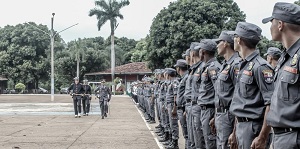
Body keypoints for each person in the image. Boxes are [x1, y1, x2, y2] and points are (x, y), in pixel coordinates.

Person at [229, 22, 274, 149]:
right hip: (241, 126)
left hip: (254, 129)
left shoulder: (261, 67)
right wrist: (234, 132)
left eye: (235, 36)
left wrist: (262, 137)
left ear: (239, 40)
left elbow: (270, 104)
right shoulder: (243, 66)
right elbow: (241, 103)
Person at [262, 2, 300, 148]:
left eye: (271, 22)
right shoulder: (286, 58)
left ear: (280, 24)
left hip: (293, 139)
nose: (270, 26)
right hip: (280, 137)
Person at [211, 31, 241, 149]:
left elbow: (238, 96)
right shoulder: (225, 64)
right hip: (220, 115)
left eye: (219, 42)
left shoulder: (236, 64)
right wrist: (215, 115)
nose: (217, 45)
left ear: (225, 43)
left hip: (229, 116)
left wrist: (235, 128)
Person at [196, 39, 220, 149]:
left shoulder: (213, 67)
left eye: (200, 50)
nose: (198, 53)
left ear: (203, 51)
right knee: (205, 140)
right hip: (205, 110)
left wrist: (215, 115)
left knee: (211, 141)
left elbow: (218, 92)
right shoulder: (207, 67)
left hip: (210, 110)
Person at [174, 59, 189, 149]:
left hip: (184, 108)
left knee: (187, 133)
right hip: (182, 108)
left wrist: (186, 109)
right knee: (186, 132)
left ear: (178, 68)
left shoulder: (186, 77)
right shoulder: (183, 78)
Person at [164, 68, 180, 149]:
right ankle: (171, 140)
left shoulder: (174, 82)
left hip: (172, 105)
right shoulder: (171, 82)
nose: (165, 75)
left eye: (166, 74)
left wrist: (175, 108)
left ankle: (175, 143)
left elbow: (175, 96)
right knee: (171, 123)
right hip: (169, 104)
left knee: (173, 124)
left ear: (168, 74)